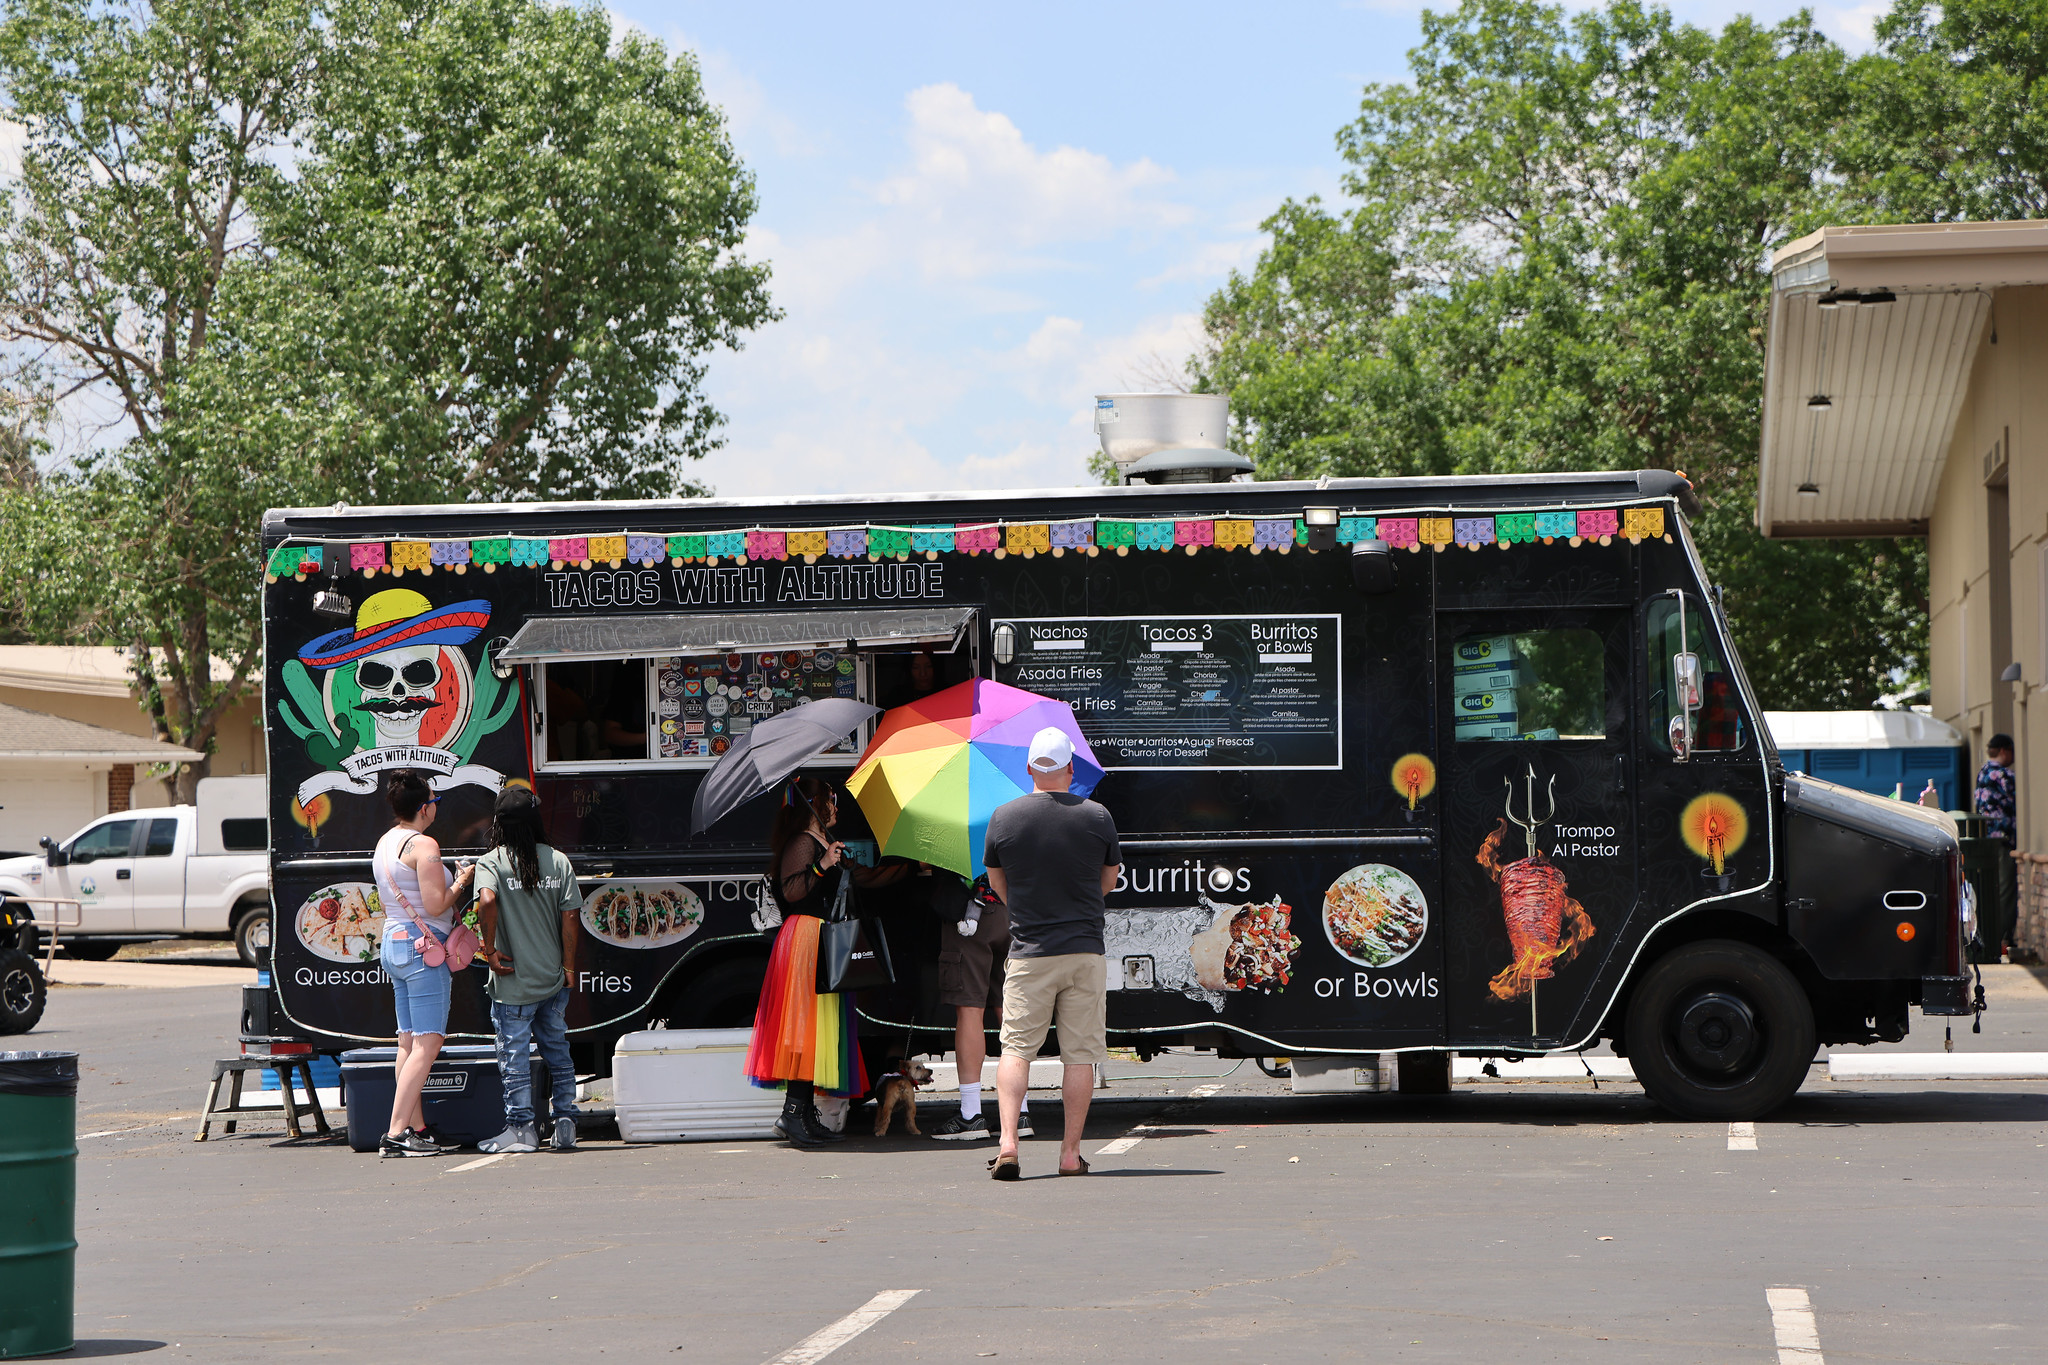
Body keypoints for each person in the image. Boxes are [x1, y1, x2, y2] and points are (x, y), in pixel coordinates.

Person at [983, 727, 1120, 1180]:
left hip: (1029, 952)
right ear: (1070, 769)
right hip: (1083, 950)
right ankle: (1069, 1154)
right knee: (1079, 1055)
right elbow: (1108, 881)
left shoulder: (1003, 818)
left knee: (1016, 1050)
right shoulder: (1097, 816)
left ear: (1028, 769)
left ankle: (1008, 1145)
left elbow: (998, 884)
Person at [744, 776, 906, 1147]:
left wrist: (904, 870)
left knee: (815, 1030)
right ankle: (793, 1114)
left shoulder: (819, 842)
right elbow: (792, 890)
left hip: (819, 938)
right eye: (831, 799)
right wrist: (822, 864)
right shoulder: (801, 841)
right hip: (804, 938)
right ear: (814, 804)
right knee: (804, 1027)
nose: (836, 805)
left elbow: (857, 880)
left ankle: (800, 1113)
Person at [474, 786, 584, 1155]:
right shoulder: (558, 860)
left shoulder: (491, 862)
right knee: (558, 1050)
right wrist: (568, 966)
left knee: (515, 1055)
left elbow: (486, 901)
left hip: (512, 982)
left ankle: (522, 1129)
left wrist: (489, 951)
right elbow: (571, 917)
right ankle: (566, 1120)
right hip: (552, 978)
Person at [371, 771, 475, 1158]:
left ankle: (416, 1129)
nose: (435, 806)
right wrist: (463, 880)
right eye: (435, 800)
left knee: (409, 1041)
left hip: (394, 944)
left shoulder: (385, 842)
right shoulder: (425, 845)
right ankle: (397, 1132)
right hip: (423, 948)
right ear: (424, 807)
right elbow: (436, 904)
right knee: (429, 1042)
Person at [925, 875, 1030, 1142]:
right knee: (1008, 1004)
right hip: (1011, 910)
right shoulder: (1008, 830)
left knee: (970, 1009)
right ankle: (1020, 1112)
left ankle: (971, 1115)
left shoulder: (958, 832)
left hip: (970, 916)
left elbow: (928, 865)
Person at [1974, 733, 2018, 957]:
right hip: (2003, 841)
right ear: (2004, 750)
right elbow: (2016, 804)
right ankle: (2000, 938)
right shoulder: (2004, 775)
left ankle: (1989, 935)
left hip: (1986, 841)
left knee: (1990, 890)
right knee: (2006, 891)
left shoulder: (1982, 773)